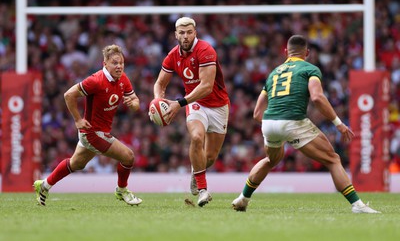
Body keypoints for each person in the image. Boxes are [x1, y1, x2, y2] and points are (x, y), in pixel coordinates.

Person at [231, 35, 380, 214]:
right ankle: (357, 205)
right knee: (333, 159)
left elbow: (256, 114)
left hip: (269, 122)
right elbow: (317, 97)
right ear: (307, 53)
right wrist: (338, 123)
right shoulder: (310, 69)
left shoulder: (273, 73)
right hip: (292, 120)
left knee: (271, 160)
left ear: (286, 52)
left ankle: (243, 198)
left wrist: (278, 124)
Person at [34, 44, 142, 206]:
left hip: (98, 131)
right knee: (128, 156)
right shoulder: (96, 80)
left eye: (121, 63)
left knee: (76, 163)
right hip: (92, 133)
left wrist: (132, 104)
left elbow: (136, 103)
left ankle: (44, 185)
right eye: (114, 63)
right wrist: (77, 119)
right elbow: (69, 95)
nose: (119, 66)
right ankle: (122, 191)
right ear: (105, 63)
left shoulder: (123, 79)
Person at [152, 17, 230, 207]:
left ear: (195, 33)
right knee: (196, 137)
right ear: (175, 34)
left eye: (189, 32)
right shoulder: (172, 55)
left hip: (218, 106)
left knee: (209, 157)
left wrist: (178, 103)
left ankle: (197, 173)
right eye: (182, 32)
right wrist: (157, 101)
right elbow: (160, 84)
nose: (185, 36)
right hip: (195, 104)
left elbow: (207, 87)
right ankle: (203, 191)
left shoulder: (206, 50)